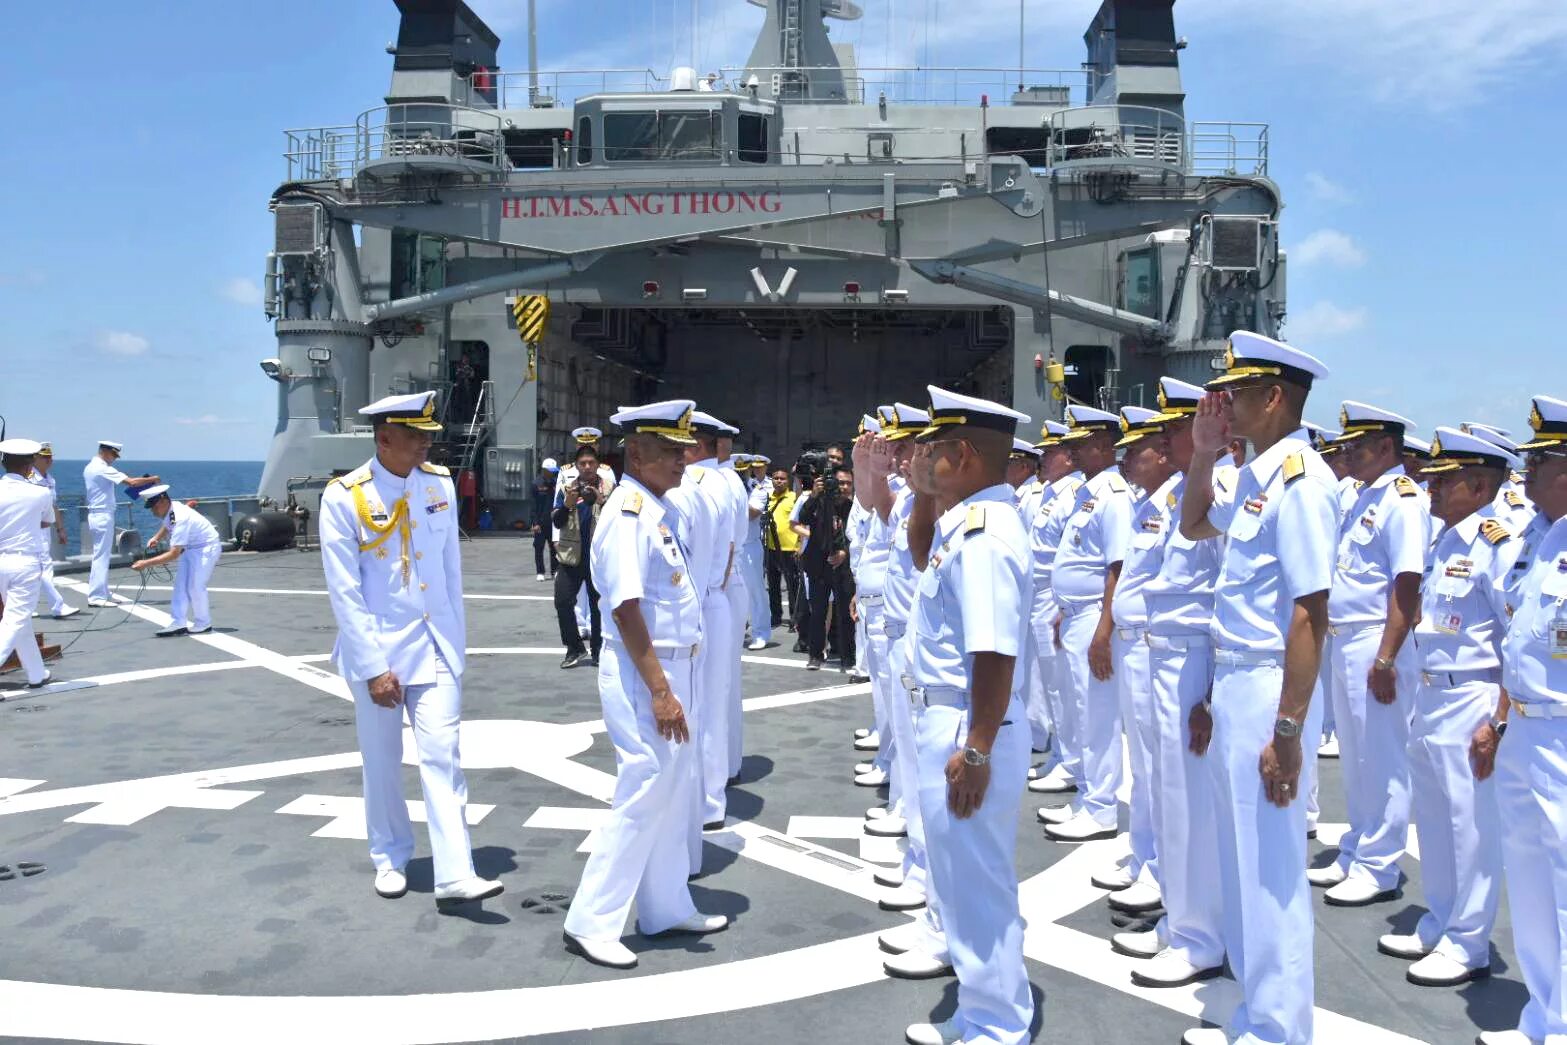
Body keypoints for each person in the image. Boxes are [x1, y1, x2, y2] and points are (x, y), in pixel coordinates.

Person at [1177, 331, 1337, 1045]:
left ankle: (1279, 1028)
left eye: (1236, 393)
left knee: (1271, 870)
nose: (1224, 403)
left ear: (1274, 397)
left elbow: (1310, 611)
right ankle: (1252, 1004)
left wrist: (1287, 732)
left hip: (1270, 687)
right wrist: (1203, 452)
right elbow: (1190, 524)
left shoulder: (1301, 479)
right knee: (1239, 859)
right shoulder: (1256, 475)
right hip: (1237, 680)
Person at [318, 390, 502, 908]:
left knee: (442, 756)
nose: (426, 444)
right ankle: (390, 855)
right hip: (378, 649)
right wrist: (374, 667)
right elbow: (345, 590)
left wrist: (456, 644)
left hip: (436, 646)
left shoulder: (437, 485)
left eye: (428, 436)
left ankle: (455, 871)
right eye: (416, 436)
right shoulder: (344, 496)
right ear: (385, 438)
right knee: (382, 760)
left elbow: (449, 576)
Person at [562, 399, 729, 969]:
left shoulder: (659, 508)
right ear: (637, 452)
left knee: (671, 786)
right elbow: (626, 607)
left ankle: (663, 905)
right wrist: (660, 689)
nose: (684, 462)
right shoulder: (629, 512)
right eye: (670, 452)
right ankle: (591, 919)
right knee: (644, 785)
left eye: (685, 451)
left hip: (669, 667)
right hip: (644, 672)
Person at [901, 385, 1034, 1045]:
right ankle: (983, 1006)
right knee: (960, 875)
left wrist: (976, 748)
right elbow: (920, 552)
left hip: (964, 724)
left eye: (931, 448)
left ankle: (997, 1022)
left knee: (977, 879)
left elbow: (993, 652)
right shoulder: (964, 521)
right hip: (951, 718)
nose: (919, 457)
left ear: (961, 453)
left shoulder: (984, 534)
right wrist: (925, 492)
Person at [1373, 427, 1521, 988]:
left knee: (1471, 826)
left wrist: (1498, 721)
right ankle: (1441, 919)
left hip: (1473, 696)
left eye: (1444, 481)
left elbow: (1515, 640)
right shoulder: (1445, 541)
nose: (1430, 489)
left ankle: (1469, 942)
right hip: (1434, 693)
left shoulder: (1497, 545)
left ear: (1479, 485)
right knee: (1433, 819)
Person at [1110, 377, 1228, 988]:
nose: (1165, 441)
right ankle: (1184, 919)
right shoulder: (1180, 495)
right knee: (1164, 791)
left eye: (1172, 430)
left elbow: (1227, 598)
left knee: (1189, 803)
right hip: (1160, 656)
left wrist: (1209, 692)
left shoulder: (1219, 491)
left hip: (1193, 660)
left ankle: (1200, 936)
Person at [1308, 401, 1431, 906]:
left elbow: (1407, 585)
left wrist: (1385, 658)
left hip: (1376, 640)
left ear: (1386, 448)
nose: (1349, 455)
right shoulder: (1359, 496)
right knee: (1358, 759)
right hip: (1345, 638)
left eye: (1358, 446)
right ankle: (1359, 845)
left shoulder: (1402, 501)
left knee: (1382, 755)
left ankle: (1380, 864)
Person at [1480, 395, 1567, 1045]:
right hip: (1525, 728)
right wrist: (1499, 717)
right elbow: (1521, 639)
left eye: (1537, 462)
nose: (1526, 474)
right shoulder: (1545, 537)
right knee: (1531, 879)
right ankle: (1543, 1014)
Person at [1098, 404, 1182, 916]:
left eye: (1138, 450)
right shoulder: (1146, 501)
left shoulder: (1177, 502)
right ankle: (1144, 854)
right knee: (1144, 765)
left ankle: (1159, 867)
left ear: (1164, 453)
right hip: (1135, 644)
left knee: (1157, 766)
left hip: (1157, 646)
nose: (1128, 458)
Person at [1042, 403, 1133, 844]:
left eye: (1079, 444)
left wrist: (1103, 630)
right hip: (1076, 614)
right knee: (1080, 710)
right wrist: (1064, 609)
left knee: (1096, 714)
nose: (1071, 452)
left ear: (1102, 444)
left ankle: (1101, 808)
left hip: (1095, 616)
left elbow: (1118, 567)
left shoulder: (1114, 495)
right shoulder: (1087, 492)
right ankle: (1087, 796)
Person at [665, 410, 738, 837]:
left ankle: (707, 800)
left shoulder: (694, 487)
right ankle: (712, 794)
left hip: (700, 599)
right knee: (714, 701)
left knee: (702, 706)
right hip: (716, 595)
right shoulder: (724, 481)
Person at [1027, 420, 1085, 796]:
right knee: (1049, 682)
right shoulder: (1051, 493)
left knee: (1065, 686)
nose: (1043, 459)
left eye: (1049, 452)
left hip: (1054, 596)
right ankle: (1061, 753)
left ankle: (1071, 760)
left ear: (1067, 456)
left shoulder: (1074, 493)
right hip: (1039, 594)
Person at [0, 439, 55, 689]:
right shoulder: (40, 492)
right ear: (31, 464)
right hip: (25, 562)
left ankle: (36, 673)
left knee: (20, 620)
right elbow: (46, 522)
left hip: (1, 561)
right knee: (14, 620)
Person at [131, 486, 222, 637]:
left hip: (206, 549)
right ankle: (178, 622)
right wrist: (156, 538)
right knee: (180, 586)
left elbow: (173, 554)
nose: (152, 511)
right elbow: (168, 524)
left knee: (195, 586)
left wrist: (145, 564)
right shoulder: (173, 508)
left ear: (162, 501)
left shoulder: (181, 518)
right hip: (190, 548)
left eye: (153, 507)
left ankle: (203, 623)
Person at [81, 441, 161, 606]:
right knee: (101, 557)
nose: (114, 459)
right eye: (113, 455)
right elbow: (131, 482)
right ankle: (96, 596)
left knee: (102, 555)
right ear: (105, 451)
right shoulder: (102, 468)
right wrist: (153, 479)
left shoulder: (90, 466)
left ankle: (102, 592)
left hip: (99, 514)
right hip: (102, 515)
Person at [797, 466, 855, 672]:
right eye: (840, 483)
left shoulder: (853, 507)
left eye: (849, 483)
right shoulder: (818, 503)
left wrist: (844, 553)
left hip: (843, 567)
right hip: (818, 566)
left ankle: (848, 657)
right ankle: (815, 655)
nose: (845, 487)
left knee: (846, 614)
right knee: (818, 612)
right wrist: (813, 495)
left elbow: (859, 536)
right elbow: (802, 518)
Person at [552, 444, 606, 668]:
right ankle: (574, 647)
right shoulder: (567, 489)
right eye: (582, 463)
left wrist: (602, 502)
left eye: (590, 463)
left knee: (598, 606)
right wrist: (567, 505)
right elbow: (555, 520)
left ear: (597, 464)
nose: (586, 467)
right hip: (572, 555)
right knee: (562, 600)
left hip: (598, 557)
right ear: (576, 466)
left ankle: (597, 651)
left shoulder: (611, 488)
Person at [25, 443, 78, 620]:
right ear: (35, 458)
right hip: (32, 529)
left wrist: (60, 529)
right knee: (43, 568)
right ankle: (58, 606)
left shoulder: (50, 480)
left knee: (37, 569)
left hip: (45, 529)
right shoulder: (28, 479)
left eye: (51, 457)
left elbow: (53, 506)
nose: (50, 460)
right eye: (45, 457)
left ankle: (28, 607)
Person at [761, 467, 801, 633]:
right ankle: (776, 616)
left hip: (789, 548)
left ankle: (795, 618)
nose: (778, 481)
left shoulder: (793, 497)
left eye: (782, 478)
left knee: (792, 585)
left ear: (788, 481)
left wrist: (799, 544)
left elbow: (800, 520)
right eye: (776, 478)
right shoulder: (767, 498)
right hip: (770, 548)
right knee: (773, 584)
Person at [742, 454, 772, 650]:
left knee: (755, 590)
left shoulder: (757, 489)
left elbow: (752, 513)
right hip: (728, 545)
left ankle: (761, 632)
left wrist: (731, 502)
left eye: (742, 471)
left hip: (749, 546)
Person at [532, 458, 559, 582]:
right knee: (539, 547)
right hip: (540, 522)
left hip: (553, 521)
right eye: (550, 471)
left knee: (554, 547)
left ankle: (555, 571)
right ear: (544, 470)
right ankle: (540, 571)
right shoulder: (536, 484)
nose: (552, 473)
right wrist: (535, 523)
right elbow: (533, 505)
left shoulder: (556, 482)